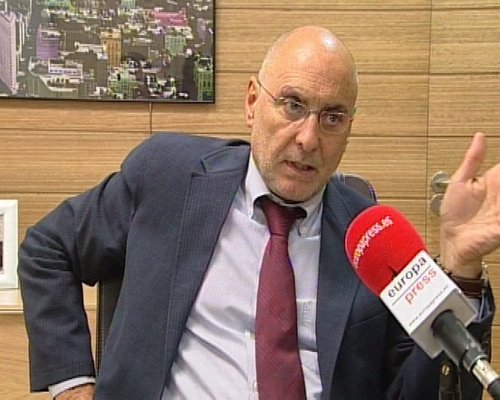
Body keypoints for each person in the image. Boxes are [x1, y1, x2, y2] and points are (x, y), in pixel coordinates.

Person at [18, 26, 499, 400]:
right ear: (252, 102)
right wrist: (74, 386)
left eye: (332, 117)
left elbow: (430, 391)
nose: (308, 138)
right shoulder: (168, 176)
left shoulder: (373, 237)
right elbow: (48, 249)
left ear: (350, 128)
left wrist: (461, 268)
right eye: (292, 105)